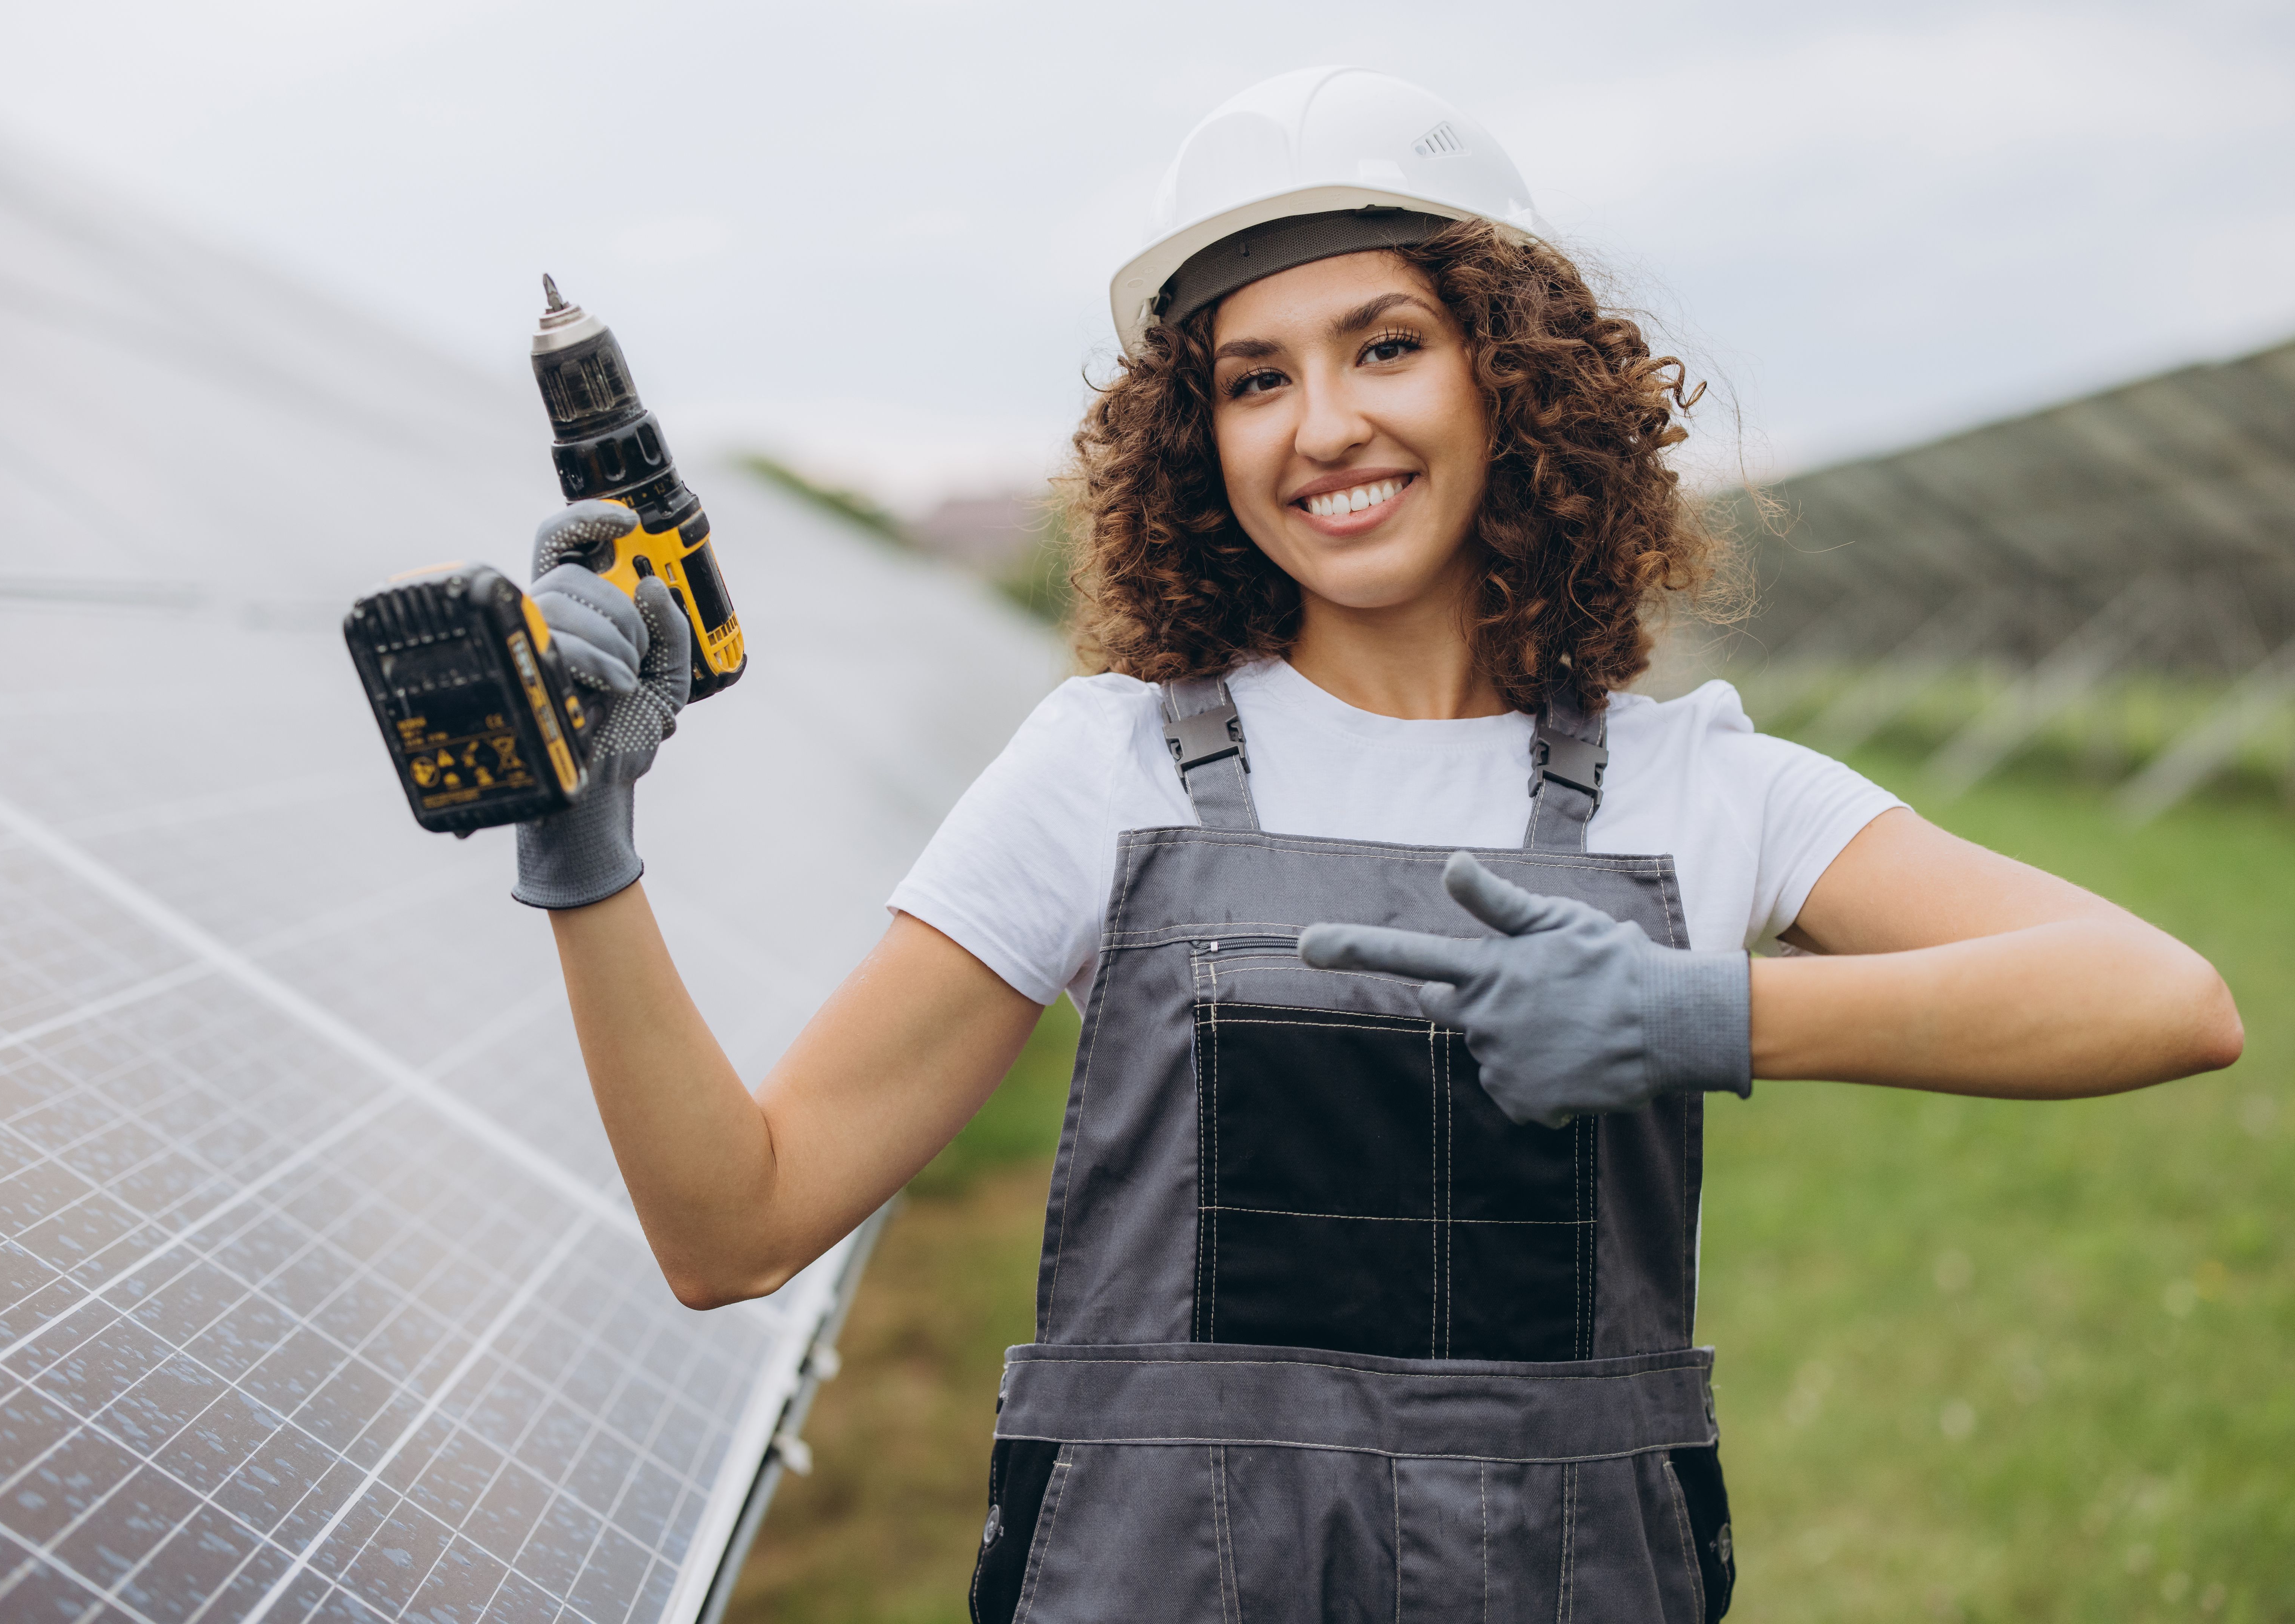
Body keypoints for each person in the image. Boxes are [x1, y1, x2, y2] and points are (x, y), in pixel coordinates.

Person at [510, 67, 2243, 1623]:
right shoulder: (1099, 769)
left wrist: (1709, 1015)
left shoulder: (1697, 788)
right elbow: (731, 1226)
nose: (1322, 425)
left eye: (1386, 345)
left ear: (1517, 375)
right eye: (1256, 378)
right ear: (1202, 441)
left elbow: (2160, 998)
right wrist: (589, 850)